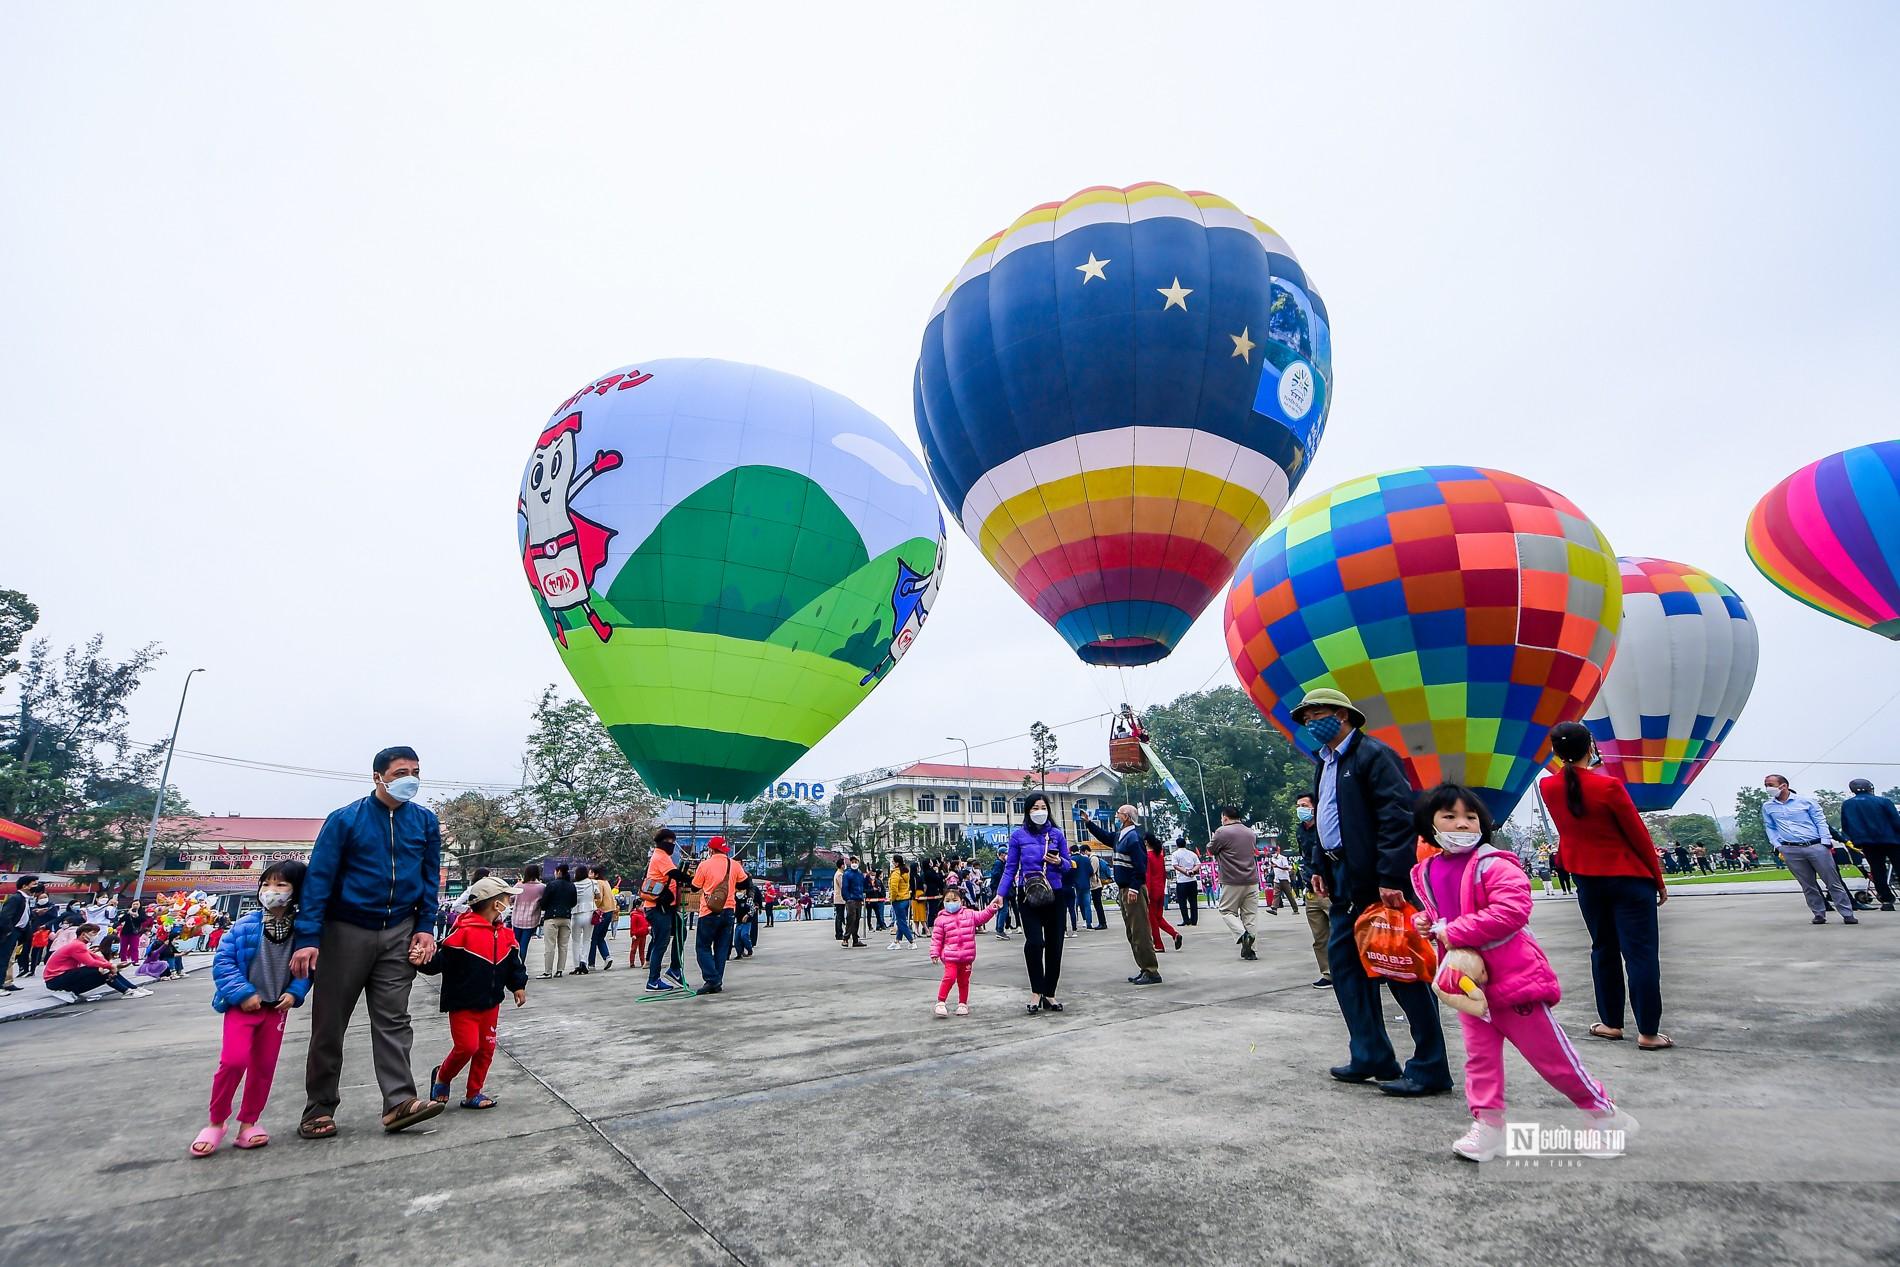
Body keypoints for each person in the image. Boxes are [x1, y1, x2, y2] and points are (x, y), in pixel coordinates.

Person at [1410, 783, 1634, 1162]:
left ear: (1483, 822)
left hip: (1515, 979)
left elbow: (1511, 912)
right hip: (1467, 985)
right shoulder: (1427, 871)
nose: (1462, 824)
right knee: (1479, 1059)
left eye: (1470, 817)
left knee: (1550, 1057)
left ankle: (1601, 1112)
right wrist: (1425, 921)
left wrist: (1453, 931)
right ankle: (1488, 1126)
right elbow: (1440, 914)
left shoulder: (1495, 863)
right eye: (1449, 817)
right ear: (1429, 825)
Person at [1291, 687, 1449, 1097]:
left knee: (1398, 966)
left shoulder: (1373, 756)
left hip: (1378, 883)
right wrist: (1319, 867)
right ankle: (1371, 1053)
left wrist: (1391, 877)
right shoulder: (1324, 764)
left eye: (1317, 714)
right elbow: (1328, 821)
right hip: (1342, 879)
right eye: (1306, 718)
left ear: (1343, 715)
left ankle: (1431, 1066)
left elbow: (1397, 819)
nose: (1310, 723)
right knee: (1344, 967)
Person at [292, 745, 446, 1140]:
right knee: (330, 1024)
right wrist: (308, 938)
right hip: (345, 930)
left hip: (399, 931)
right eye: (399, 772)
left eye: (415, 770)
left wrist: (425, 928)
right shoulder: (345, 820)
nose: (409, 778)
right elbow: (319, 881)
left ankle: (399, 1103)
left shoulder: (425, 823)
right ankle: (319, 1107)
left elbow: (431, 881)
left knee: (395, 1019)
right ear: (377, 776)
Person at [191, 862, 313, 1156]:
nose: (271, 891)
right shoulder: (245, 925)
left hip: (275, 1010)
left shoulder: (303, 932)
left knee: (263, 1068)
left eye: (281, 885)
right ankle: (216, 1121)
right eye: (266, 884)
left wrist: (295, 994)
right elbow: (224, 962)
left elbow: (307, 969)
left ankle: (249, 1123)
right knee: (233, 1062)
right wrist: (243, 993)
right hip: (243, 1008)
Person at [417, 875, 528, 1111]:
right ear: (495, 904)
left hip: (491, 1004)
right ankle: (442, 1077)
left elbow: (514, 965)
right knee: (467, 1047)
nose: (510, 904)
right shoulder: (461, 934)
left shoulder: (507, 936)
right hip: (462, 1004)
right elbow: (438, 962)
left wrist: (518, 985)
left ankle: (473, 1093)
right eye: (507, 899)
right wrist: (420, 962)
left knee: (486, 1048)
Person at [996, 792, 1075, 1013]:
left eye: (1043, 807)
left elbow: (1069, 865)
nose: (1039, 811)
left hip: (1055, 895)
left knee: (1054, 945)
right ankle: (1035, 991)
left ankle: (1049, 993)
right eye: (1034, 808)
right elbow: (1010, 868)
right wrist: (1000, 894)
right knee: (1034, 943)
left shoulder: (1057, 834)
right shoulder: (1018, 837)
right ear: (1027, 811)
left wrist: (1059, 861)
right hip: (1028, 895)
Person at [1761, 773, 1857, 925]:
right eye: (1766, 785)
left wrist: (1825, 843)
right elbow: (1770, 827)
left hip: (1815, 845)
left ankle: (1847, 913)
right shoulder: (1768, 806)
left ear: (1783, 785)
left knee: (1833, 882)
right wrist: (1778, 845)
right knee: (1807, 884)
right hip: (1790, 849)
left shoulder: (1806, 802)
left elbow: (1820, 822)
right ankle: (1819, 913)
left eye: (1770, 785)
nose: (1767, 788)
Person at [1084, 804, 1162, 985]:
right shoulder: (1121, 836)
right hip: (1125, 889)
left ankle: (1151, 970)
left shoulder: (1134, 838)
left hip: (1132, 889)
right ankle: (1144, 968)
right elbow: (1106, 837)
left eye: (1118, 814)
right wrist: (1089, 824)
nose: (1116, 816)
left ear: (1126, 817)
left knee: (1140, 931)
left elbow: (1141, 866)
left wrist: (1134, 888)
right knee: (1132, 932)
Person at [932, 883, 1000, 1016]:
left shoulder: (969, 914)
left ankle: (962, 1004)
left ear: (961, 901)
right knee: (949, 978)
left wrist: (991, 909)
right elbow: (936, 939)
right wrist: (934, 952)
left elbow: (982, 916)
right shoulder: (940, 920)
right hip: (950, 956)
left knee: (964, 981)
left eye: (954, 900)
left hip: (967, 956)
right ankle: (940, 1002)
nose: (951, 903)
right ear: (943, 902)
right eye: (948, 901)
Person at [690, 837, 747, 994]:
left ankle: (712, 980)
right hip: (729, 911)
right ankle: (717, 981)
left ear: (710, 850)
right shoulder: (734, 864)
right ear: (724, 850)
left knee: (703, 947)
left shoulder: (704, 865)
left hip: (709, 911)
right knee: (722, 948)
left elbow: (694, 887)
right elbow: (744, 883)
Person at [1207, 807, 1261, 961]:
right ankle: (1251, 950)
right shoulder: (1250, 832)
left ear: (1225, 818)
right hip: (1251, 879)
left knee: (1226, 910)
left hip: (1232, 879)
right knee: (1250, 915)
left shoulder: (1222, 832)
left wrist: (1213, 838)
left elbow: (1211, 850)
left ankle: (1242, 934)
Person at [42, 923, 149, 1000]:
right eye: (93, 933)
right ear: (83, 934)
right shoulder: (77, 945)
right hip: (55, 978)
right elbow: (90, 962)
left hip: (61, 978)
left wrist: (111, 965)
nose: (96, 936)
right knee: (101, 970)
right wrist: (109, 966)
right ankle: (127, 991)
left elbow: (93, 956)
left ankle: (132, 988)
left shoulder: (79, 945)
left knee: (104, 973)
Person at [1841, 779, 1900, 911]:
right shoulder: (1883, 801)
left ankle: (1886, 900)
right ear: (1870, 788)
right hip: (1891, 840)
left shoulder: (1847, 804)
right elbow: (1896, 821)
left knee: (1877, 871)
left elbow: (1846, 826)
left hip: (1867, 842)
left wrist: (1855, 840)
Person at [641, 830, 687, 991]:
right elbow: (673, 873)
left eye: (674, 841)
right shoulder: (660, 856)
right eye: (669, 841)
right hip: (657, 907)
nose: (672, 844)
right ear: (661, 842)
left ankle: (674, 969)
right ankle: (653, 980)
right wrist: (691, 880)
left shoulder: (663, 856)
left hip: (667, 907)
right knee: (661, 942)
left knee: (682, 932)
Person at [1295, 795, 1332, 988]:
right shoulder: (1300, 831)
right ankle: (1327, 974)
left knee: (1342, 932)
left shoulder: (1325, 827)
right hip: (1310, 887)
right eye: (1298, 806)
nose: (1301, 809)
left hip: (1329, 887)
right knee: (1320, 937)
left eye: (1304, 805)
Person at [0, 875, 43, 991]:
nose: (36, 886)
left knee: (9, 958)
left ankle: (6, 983)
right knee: (3, 958)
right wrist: (9, 931)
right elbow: (5, 916)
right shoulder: (16, 898)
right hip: (11, 932)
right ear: (24, 886)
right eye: (33, 884)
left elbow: (24, 916)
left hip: (19, 932)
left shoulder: (26, 899)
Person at [538, 863, 579, 977]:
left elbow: (544, 903)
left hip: (552, 917)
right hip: (566, 918)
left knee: (550, 946)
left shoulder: (551, 885)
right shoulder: (571, 885)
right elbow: (574, 902)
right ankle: (560, 970)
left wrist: (541, 904)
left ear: (559, 871)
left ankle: (548, 971)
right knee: (563, 946)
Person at [1144, 834, 1182, 952]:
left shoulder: (1147, 856)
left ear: (1146, 842)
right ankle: (1174, 934)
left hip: (1152, 891)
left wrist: (1147, 893)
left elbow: (1148, 876)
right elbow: (1163, 874)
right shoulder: (1159, 856)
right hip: (1160, 889)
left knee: (1152, 919)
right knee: (1158, 917)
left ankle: (1158, 944)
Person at [579, 865, 616, 974]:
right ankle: (607, 957)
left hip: (601, 913)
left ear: (596, 874)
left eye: (590, 873)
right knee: (600, 937)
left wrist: (590, 905)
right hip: (609, 912)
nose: (588, 875)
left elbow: (599, 899)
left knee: (593, 938)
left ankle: (591, 964)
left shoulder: (597, 883)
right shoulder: (606, 882)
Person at [509, 864, 544, 961]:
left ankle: (513, 967)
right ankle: (521, 966)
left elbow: (510, 899)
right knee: (524, 945)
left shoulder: (519, 885)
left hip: (517, 920)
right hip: (531, 921)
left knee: (516, 944)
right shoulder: (541, 887)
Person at [887, 856, 916, 949]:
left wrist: (892, 898)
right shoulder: (905, 872)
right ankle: (897, 941)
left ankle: (911, 941)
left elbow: (894, 888)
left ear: (896, 863)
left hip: (898, 900)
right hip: (905, 899)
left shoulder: (895, 874)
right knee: (901, 921)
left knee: (901, 922)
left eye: (893, 861)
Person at [839, 855, 867, 948]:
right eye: (852, 862)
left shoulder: (859, 874)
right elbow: (844, 888)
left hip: (858, 899)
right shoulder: (847, 874)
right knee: (851, 918)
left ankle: (855, 940)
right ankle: (845, 938)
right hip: (851, 900)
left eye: (856, 861)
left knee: (857, 919)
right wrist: (847, 898)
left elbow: (862, 886)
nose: (854, 863)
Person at [1170, 838, 1200, 926]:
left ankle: (1186, 920)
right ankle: (1194, 920)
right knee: (1193, 901)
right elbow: (1198, 864)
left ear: (1177, 845)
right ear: (1185, 844)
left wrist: (1185, 872)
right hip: (1192, 880)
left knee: (1182, 902)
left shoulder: (1175, 854)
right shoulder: (1192, 853)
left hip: (1182, 881)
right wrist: (1192, 871)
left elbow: (1175, 865)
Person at [1268, 847, 1299, 913]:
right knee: (1276, 894)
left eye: (1274, 853)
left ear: (1277, 852)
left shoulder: (1283, 858)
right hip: (1277, 879)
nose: (1273, 855)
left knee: (1289, 895)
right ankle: (1274, 908)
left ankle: (1295, 909)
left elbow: (1286, 868)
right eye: (1271, 853)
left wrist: (1278, 866)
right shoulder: (1272, 859)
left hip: (1284, 879)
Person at [626, 902, 650, 968]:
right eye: (642, 906)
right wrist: (633, 934)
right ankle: (632, 962)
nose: (643, 907)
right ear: (637, 906)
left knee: (642, 949)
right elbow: (633, 925)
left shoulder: (643, 914)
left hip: (643, 934)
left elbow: (646, 922)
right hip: (637, 935)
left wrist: (648, 928)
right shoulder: (635, 915)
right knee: (634, 949)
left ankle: (643, 962)